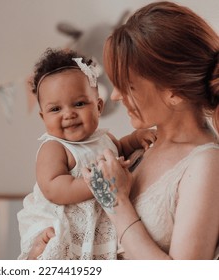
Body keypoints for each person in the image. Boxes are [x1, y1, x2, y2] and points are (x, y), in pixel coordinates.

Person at [28, 1, 219, 260]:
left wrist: (116, 202)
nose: (115, 96)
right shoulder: (144, 146)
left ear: (172, 92)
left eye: (127, 86)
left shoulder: (207, 164)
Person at [17, 48, 156, 260]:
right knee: (58, 252)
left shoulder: (103, 138)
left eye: (79, 104)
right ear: (42, 116)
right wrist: (100, 183)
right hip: (64, 224)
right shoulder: (54, 147)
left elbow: (121, 149)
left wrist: (136, 139)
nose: (68, 114)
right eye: (55, 109)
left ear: (98, 107)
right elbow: (54, 188)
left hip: (97, 223)